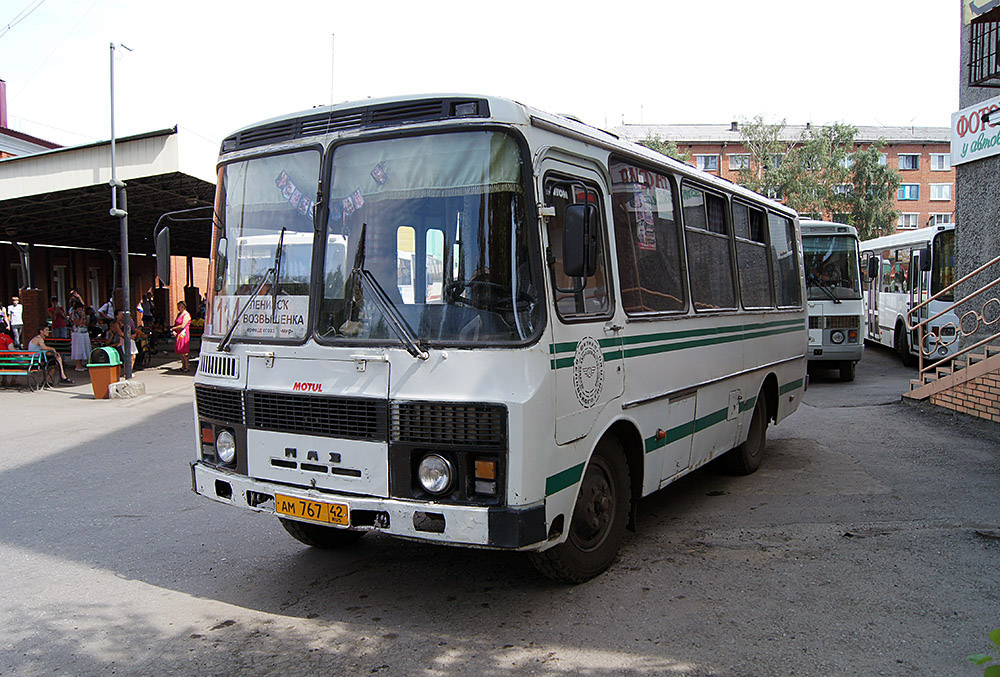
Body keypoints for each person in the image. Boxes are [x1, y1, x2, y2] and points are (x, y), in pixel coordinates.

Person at [69, 299, 91, 372]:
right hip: (77, 333)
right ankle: (78, 365)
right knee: (78, 348)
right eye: (79, 308)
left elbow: (86, 323)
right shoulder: (73, 314)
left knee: (84, 347)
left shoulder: (82, 314)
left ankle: (82, 364)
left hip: (84, 332)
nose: (80, 310)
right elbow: (78, 323)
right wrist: (81, 317)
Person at [171, 300, 192, 372]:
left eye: (179, 306)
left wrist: (174, 328)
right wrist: (174, 330)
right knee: (179, 350)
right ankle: (183, 365)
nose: (178, 308)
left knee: (184, 350)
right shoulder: (179, 314)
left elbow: (183, 325)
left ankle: (187, 366)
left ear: (183, 307)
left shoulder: (186, 315)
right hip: (178, 333)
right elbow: (176, 323)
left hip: (184, 333)